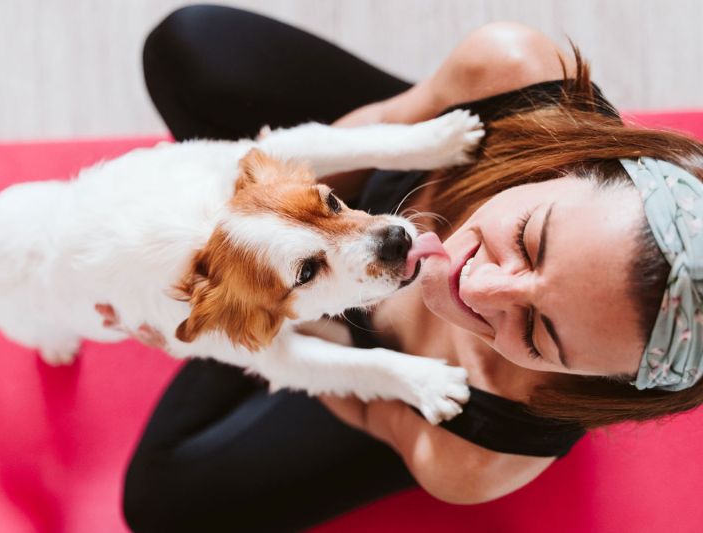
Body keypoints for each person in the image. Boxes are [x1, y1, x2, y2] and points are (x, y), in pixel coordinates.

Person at [121, 5, 703, 532]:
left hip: (347, 357)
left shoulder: (475, 455)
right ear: (574, 166)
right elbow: (373, 128)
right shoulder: (511, 69)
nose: (475, 286)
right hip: (372, 186)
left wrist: (258, 319)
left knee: (161, 505)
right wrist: (239, 240)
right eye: (528, 240)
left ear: (596, 381)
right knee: (188, 47)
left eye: (536, 332)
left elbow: (372, 408)